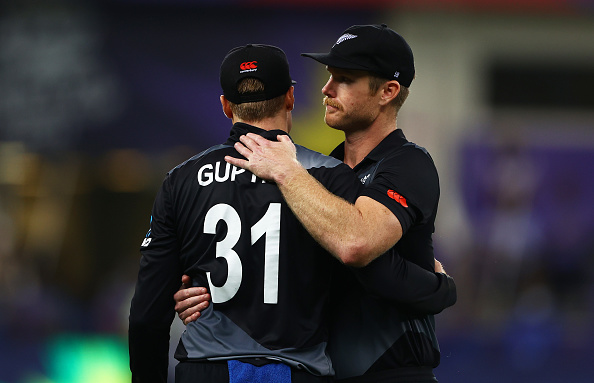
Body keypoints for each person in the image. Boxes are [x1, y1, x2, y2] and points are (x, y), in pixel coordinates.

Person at [175, 25, 456, 382]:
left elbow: (356, 244)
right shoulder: (324, 171)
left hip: (395, 373)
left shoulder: (408, 163)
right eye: (329, 76)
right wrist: (207, 292)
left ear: (388, 91)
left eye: (345, 79)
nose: (326, 89)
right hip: (324, 371)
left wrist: (286, 172)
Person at [128, 44, 362, 383]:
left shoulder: (181, 180)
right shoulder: (332, 174)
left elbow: (147, 316)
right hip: (298, 371)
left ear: (225, 106)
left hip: (207, 369)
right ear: (290, 98)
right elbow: (359, 291)